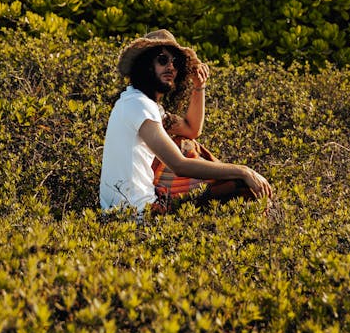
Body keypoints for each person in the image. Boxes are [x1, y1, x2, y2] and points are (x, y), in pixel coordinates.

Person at [99, 29, 272, 214]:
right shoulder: (138, 105)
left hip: (126, 211)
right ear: (146, 65)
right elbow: (179, 165)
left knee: (184, 142)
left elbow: (191, 129)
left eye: (176, 62)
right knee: (241, 187)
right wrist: (243, 171)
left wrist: (199, 86)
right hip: (139, 214)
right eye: (162, 60)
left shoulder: (139, 103)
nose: (171, 67)